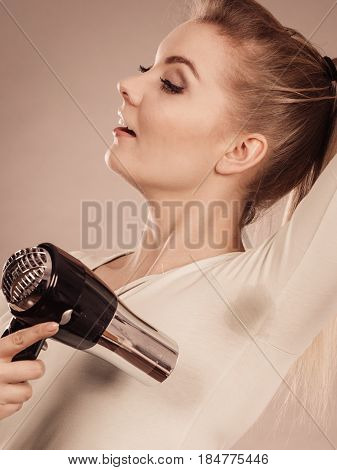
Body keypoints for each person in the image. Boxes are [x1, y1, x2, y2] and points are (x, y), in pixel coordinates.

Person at [0, 0, 337, 450]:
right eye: (146, 67)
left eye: (171, 84)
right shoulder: (59, 273)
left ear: (240, 150)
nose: (126, 85)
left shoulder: (266, 294)